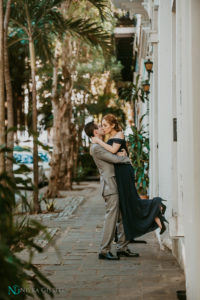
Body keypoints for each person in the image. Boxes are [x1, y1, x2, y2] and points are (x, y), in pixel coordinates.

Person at [91, 114, 168, 241]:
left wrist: (98, 141)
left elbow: (112, 150)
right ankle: (153, 217)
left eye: (105, 125)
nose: (103, 128)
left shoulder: (119, 134)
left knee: (131, 200)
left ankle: (156, 205)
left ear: (113, 125)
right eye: (102, 125)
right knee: (128, 203)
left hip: (124, 171)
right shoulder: (111, 136)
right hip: (119, 171)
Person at [84, 121, 140, 260]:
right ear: (95, 132)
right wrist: (125, 157)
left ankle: (122, 247)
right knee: (111, 218)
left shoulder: (102, 145)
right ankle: (104, 250)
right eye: (100, 126)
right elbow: (114, 159)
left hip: (115, 185)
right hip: (110, 187)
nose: (102, 128)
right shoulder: (96, 147)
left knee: (122, 217)